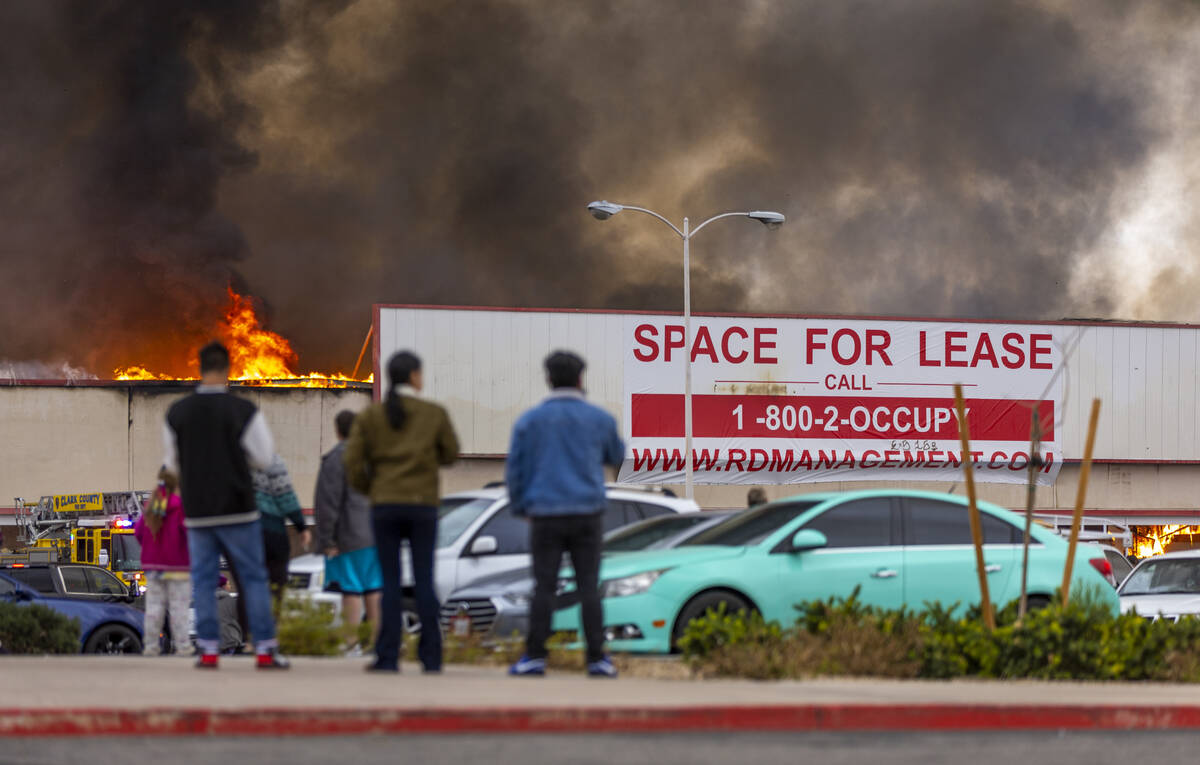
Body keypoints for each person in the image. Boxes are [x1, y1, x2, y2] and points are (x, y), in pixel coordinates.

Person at [162, 340, 288, 670]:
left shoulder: (177, 412)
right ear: (228, 369)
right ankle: (264, 650)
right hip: (239, 510)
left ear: (199, 368)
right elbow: (263, 457)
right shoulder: (243, 410)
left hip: (199, 512)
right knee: (252, 579)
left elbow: (171, 466)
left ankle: (208, 651)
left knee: (203, 581)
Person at [506, 351, 625, 678]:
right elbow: (617, 455)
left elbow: (515, 470)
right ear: (580, 379)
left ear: (548, 379)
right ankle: (597, 658)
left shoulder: (530, 421)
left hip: (545, 515)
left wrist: (521, 507)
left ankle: (534, 657)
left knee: (543, 587)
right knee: (589, 586)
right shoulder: (600, 419)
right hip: (587, 513)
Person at [344, 351, 459, 673]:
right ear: (413, 377)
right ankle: (431, 656)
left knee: (390, 582)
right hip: (423, 506)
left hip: (385, 507)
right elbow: (450, 454)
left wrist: (374, 489)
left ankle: (388, 656)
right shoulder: (433, 413)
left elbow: (352, 463)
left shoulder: (371, 417)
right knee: (424, 579)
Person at [316, 410, 382, 654]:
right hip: (376, 533)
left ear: (338, 430)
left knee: (350, 588)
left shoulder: (336, 459)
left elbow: (328, 503)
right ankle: (378, 643)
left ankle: (351, 643)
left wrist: (327, 539)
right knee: (375, 588)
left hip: (349, 535)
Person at [134, 468, 192, 656]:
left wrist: (152, 551)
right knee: (178, 608)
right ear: (176, 485)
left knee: (154, 607)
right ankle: (182, 646)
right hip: (178, 567)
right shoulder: (181, 506)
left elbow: (139, 533)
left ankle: (151, 646)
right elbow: (189, 533)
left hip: (154, 567)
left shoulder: (152, 507)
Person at [252, 454, 311, 617]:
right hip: (272, 531)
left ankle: (252, 638)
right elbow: (286, 496)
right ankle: (273, 632)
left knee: (249, 588)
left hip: (244, 533)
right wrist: (301, 526)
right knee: (277, 586)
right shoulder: (271, 460)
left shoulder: (231, 457)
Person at [216, 575, 244, 654]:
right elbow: (240, 618)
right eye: (228, 584)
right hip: (229, 639)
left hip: (212, 641)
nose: (230, 586)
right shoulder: (231, 600)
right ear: (223, 586)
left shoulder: (207, 600)